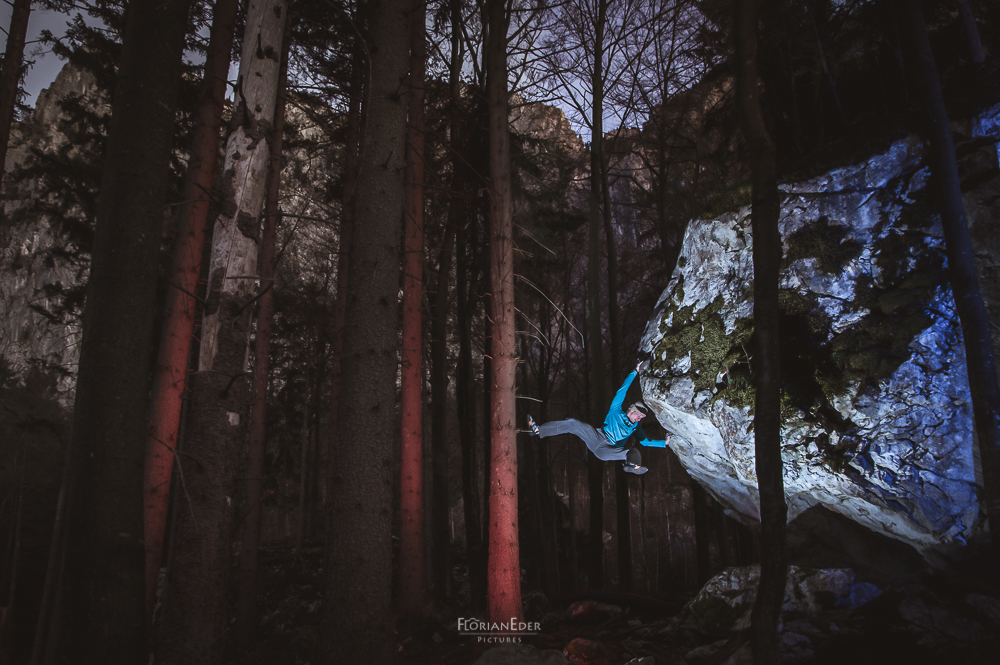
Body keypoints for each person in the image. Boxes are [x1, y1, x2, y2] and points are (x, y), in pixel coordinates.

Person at [527, 361, 670, 475]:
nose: (639, 419)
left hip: (607, 450)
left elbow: (645, 442)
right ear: (632, 410)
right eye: (638, 415)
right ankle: (539, 430)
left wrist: (664, 443)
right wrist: (635, 371)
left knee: (633, 451)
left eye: (641, 418)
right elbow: (622, 390)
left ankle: (632, 466)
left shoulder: (635, 426)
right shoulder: (616, 410)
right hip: (596, 437)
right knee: (573, 423)